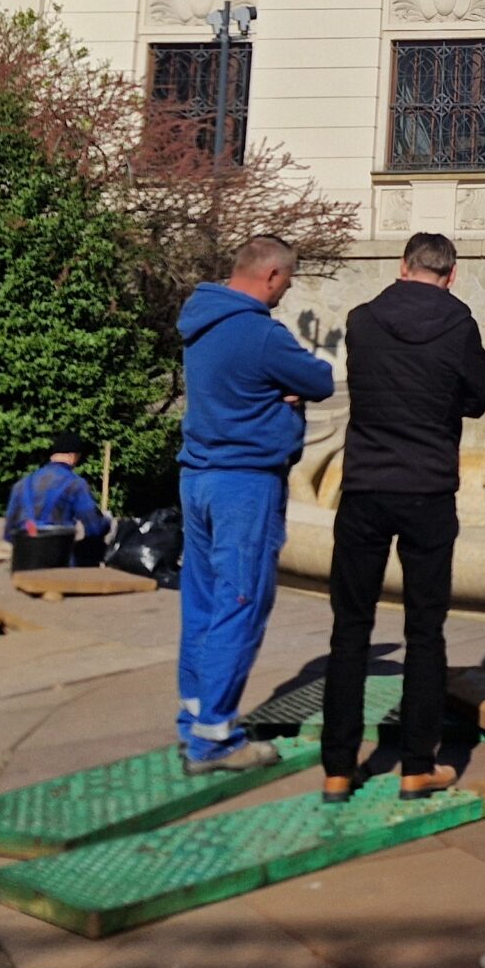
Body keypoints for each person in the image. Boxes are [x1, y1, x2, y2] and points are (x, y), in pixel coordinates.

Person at [319, 233, 485, 802]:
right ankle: (417, 767)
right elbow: (479, 397)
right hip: (427, 489)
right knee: (425, 630)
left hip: (365, 486)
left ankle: (339, 769)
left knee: (350, 630)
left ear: (402, 266)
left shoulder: (362, 320)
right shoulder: (459, 323)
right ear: (452, 273)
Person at [175, 234, 335, 776]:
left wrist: (272, 391)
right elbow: (320, 380)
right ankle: (215, 739)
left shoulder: (200, 321)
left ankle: (193, 719)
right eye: (286, 283)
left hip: (196, 478)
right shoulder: (260, 332)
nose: (284, 294)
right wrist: (285, 392)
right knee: (240, 603)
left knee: (201, 603)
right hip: (244, 485)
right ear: (270, 275)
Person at [3, 434, 111, 564]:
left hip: (24, 563)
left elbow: (8, 533)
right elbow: (95, 528)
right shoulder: (75, 484)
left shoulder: (21, 485)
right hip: (59, 563)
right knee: (95, 547)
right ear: (72, 456)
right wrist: (107, 520)